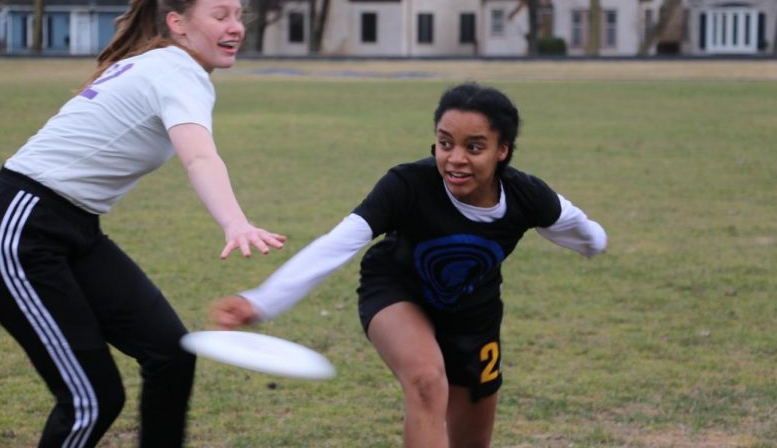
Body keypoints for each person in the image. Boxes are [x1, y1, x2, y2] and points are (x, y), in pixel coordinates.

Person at [0, 0, 285, 447]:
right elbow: (199, 157)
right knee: (92, 399)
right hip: (25, 229)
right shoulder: (177, 70)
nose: (235, 27)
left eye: (239, 16)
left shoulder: (158, 64)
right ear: (178, 23)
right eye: (220, 15)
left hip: (46, 227)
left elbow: (66, 146)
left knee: (170, 352)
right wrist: (235, 222)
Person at [211, 82, 607, 448]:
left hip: (474, 314)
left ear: (502, 150)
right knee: (426, 382)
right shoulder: (406, 185)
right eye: (445, 143)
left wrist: (594, 245)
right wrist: (261, 302)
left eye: (474, 147)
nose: (455, 159)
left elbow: (581, 229)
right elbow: (337, 244)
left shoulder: (527, 195)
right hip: (397, 291)